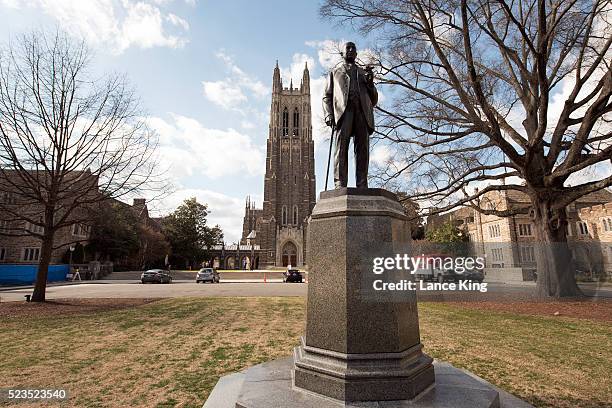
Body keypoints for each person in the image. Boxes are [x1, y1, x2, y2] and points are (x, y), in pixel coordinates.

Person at [323, 41, 378, 189]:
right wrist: (329, 114)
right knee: (341, 148)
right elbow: (327, 96)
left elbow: (374, 100)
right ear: (342, 52)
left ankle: (362, 183)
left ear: (356, 53)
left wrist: (370, 83)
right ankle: (340, 182)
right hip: (343, 112)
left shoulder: (363, 73)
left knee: (362, 150)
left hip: (362, 112)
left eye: (354, 48)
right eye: (348, 48)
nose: (351, 50)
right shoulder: (334, 73)